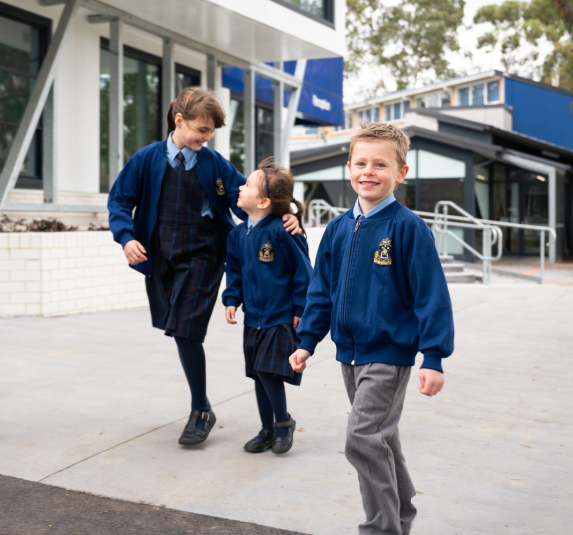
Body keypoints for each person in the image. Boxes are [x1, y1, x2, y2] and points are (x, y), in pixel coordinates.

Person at [107, 86, 299, 446]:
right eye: (202, 130)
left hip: (205, 255)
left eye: (211, 132)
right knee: (177, 328)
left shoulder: (214, 165)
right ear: (179, 121)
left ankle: (200, 409)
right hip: (161, 257)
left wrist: (289, 216)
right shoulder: (146, 160)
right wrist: (126, 237)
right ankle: (203, 407)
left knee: (185, 329)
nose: (207, 137)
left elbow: (256, 197)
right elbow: (119, 201)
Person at [289, 123, 454, 535]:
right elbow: (320, 290)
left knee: (361, 438)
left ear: (401, 172)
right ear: (348, 168)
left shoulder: (409, 228)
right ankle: (401, 513)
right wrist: (307, 340)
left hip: (389, 354)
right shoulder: (339, 229)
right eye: (360, 163)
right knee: (381, 439)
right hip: (349, 354)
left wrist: (433, 356)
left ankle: (382, 529)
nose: (369, 171)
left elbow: (430, 296)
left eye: (380, 164)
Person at [223, 158, 312, 454]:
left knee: (267, 370)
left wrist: (300, 309)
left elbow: (303, 271)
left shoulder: (282, 230)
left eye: (246, 185)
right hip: (254, 318)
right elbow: (233, 271)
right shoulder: (237, 235)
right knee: (258, 374)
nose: (239, 187)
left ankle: (283, 423)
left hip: (280, 316)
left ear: (262, 201)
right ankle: (267, 429)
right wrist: (232, 299)